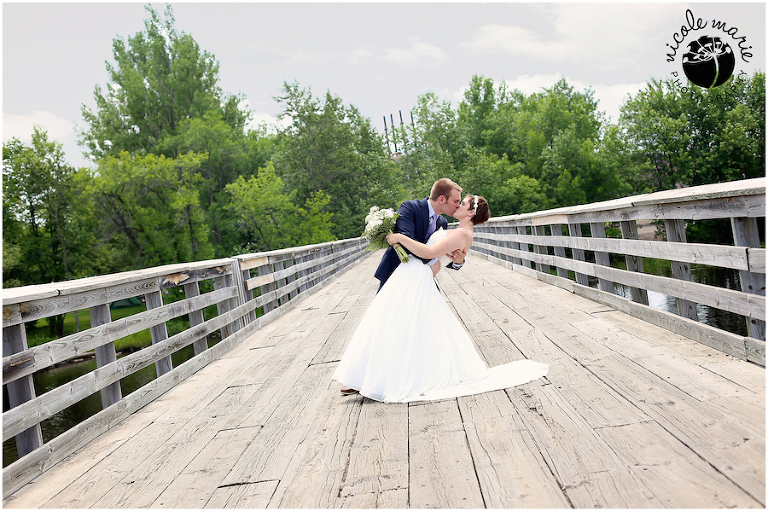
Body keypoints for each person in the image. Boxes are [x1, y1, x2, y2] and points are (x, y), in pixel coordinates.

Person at [333, 194, 549, 403]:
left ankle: (380, 379)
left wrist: (399, 238)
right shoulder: (456, 229)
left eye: (462, 203)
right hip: (412, 275)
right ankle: (367, 377)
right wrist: (454, 259)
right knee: (393, 323)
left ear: (471, 212)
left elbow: (429, 253)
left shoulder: (462, 233)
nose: (458, 205)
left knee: (394, 323)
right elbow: (443, 254)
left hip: (416, 277)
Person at [374, 178, 466, 291]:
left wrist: (458, 261)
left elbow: (443, 252)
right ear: (442, 199)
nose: (458, 206)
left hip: (422, 275)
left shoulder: (443, 222)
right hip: (396, 271)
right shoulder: (409, 208)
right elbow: (404, 240)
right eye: (456, 201)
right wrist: (432, 260)